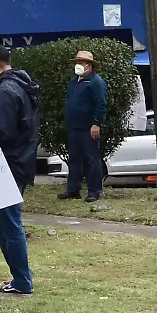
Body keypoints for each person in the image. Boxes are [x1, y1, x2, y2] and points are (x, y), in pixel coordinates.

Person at [0, 45, 39, 296]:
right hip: (22, 160)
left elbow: (3, 132)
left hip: (9, 163)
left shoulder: (5, 90)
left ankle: (22, 280)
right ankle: (19, 278)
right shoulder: (23, 84)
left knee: (8, 222)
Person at [60, 50, 108, 203]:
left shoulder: (96, 82)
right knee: (74, 159)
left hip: (88, 127)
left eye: (81, 62)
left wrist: (96, 123)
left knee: (92, 159)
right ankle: (73, 189)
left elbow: (101, 104)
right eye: (77, 62)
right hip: (74, 126)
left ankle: (95, 191)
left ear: (89, 66)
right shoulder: (74, 82)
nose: (78, 65)